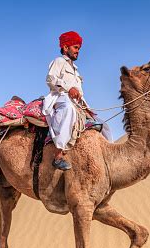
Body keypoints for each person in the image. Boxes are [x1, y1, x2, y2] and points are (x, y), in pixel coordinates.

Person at [42, 31, 111, 171]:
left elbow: (79, 93)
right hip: (60, 98)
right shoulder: (58, 61)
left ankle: (110, 158)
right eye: (75, 47)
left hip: (78, 103)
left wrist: (86, 107)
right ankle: (58, 155)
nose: (78, 51)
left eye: (79, 48)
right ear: (65, 47)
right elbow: (50, 79)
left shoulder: (76, 70)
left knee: (103, 124)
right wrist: (69, 88)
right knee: (68, 110)